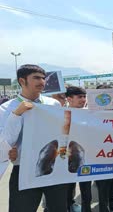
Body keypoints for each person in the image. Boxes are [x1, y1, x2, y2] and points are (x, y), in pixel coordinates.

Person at [0, 64, 68, 212]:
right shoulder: (6, 109)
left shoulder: (53, 104)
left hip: (54, 167)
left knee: (59, 208)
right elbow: (5, 141)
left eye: (43, 78)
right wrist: (16, 114)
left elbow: (62, 131)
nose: (42, 82)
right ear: (22, 81)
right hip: (24, 169)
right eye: (36, 78)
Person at [65, 86, 92, 212]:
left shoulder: (90, 114)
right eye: (79, 97)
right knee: (68, 191)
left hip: (85, 159)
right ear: (69, 99)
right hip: (67, 160)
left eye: (84, 96)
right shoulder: (62, 114)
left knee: (87, 193)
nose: (83, 99)